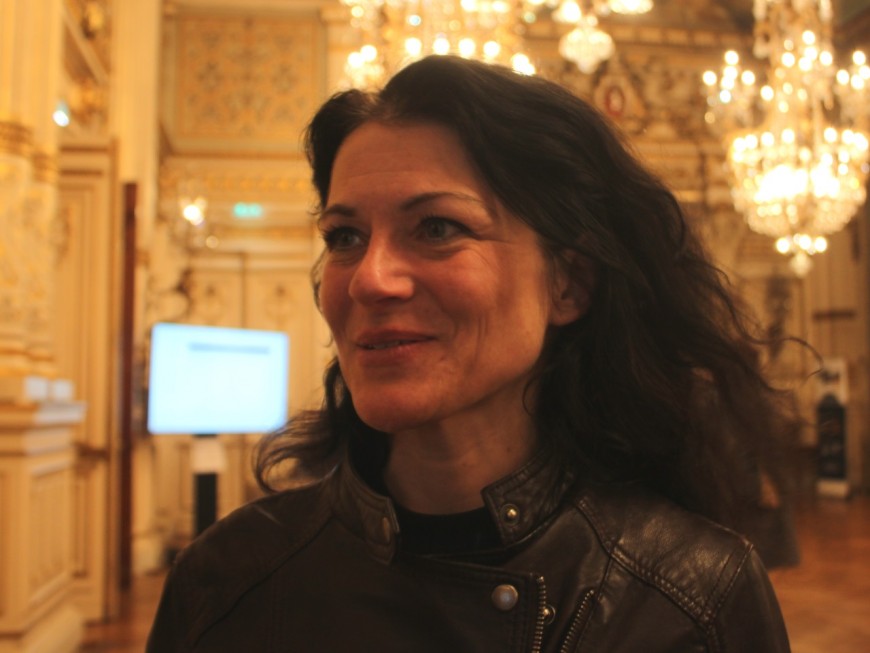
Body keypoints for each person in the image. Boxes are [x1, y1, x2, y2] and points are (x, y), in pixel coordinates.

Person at [147, 55, 793, 652]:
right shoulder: (226, 584)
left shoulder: (692, 597)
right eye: (344, 236)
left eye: (437, 228)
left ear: (568, 284)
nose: (370, 279)